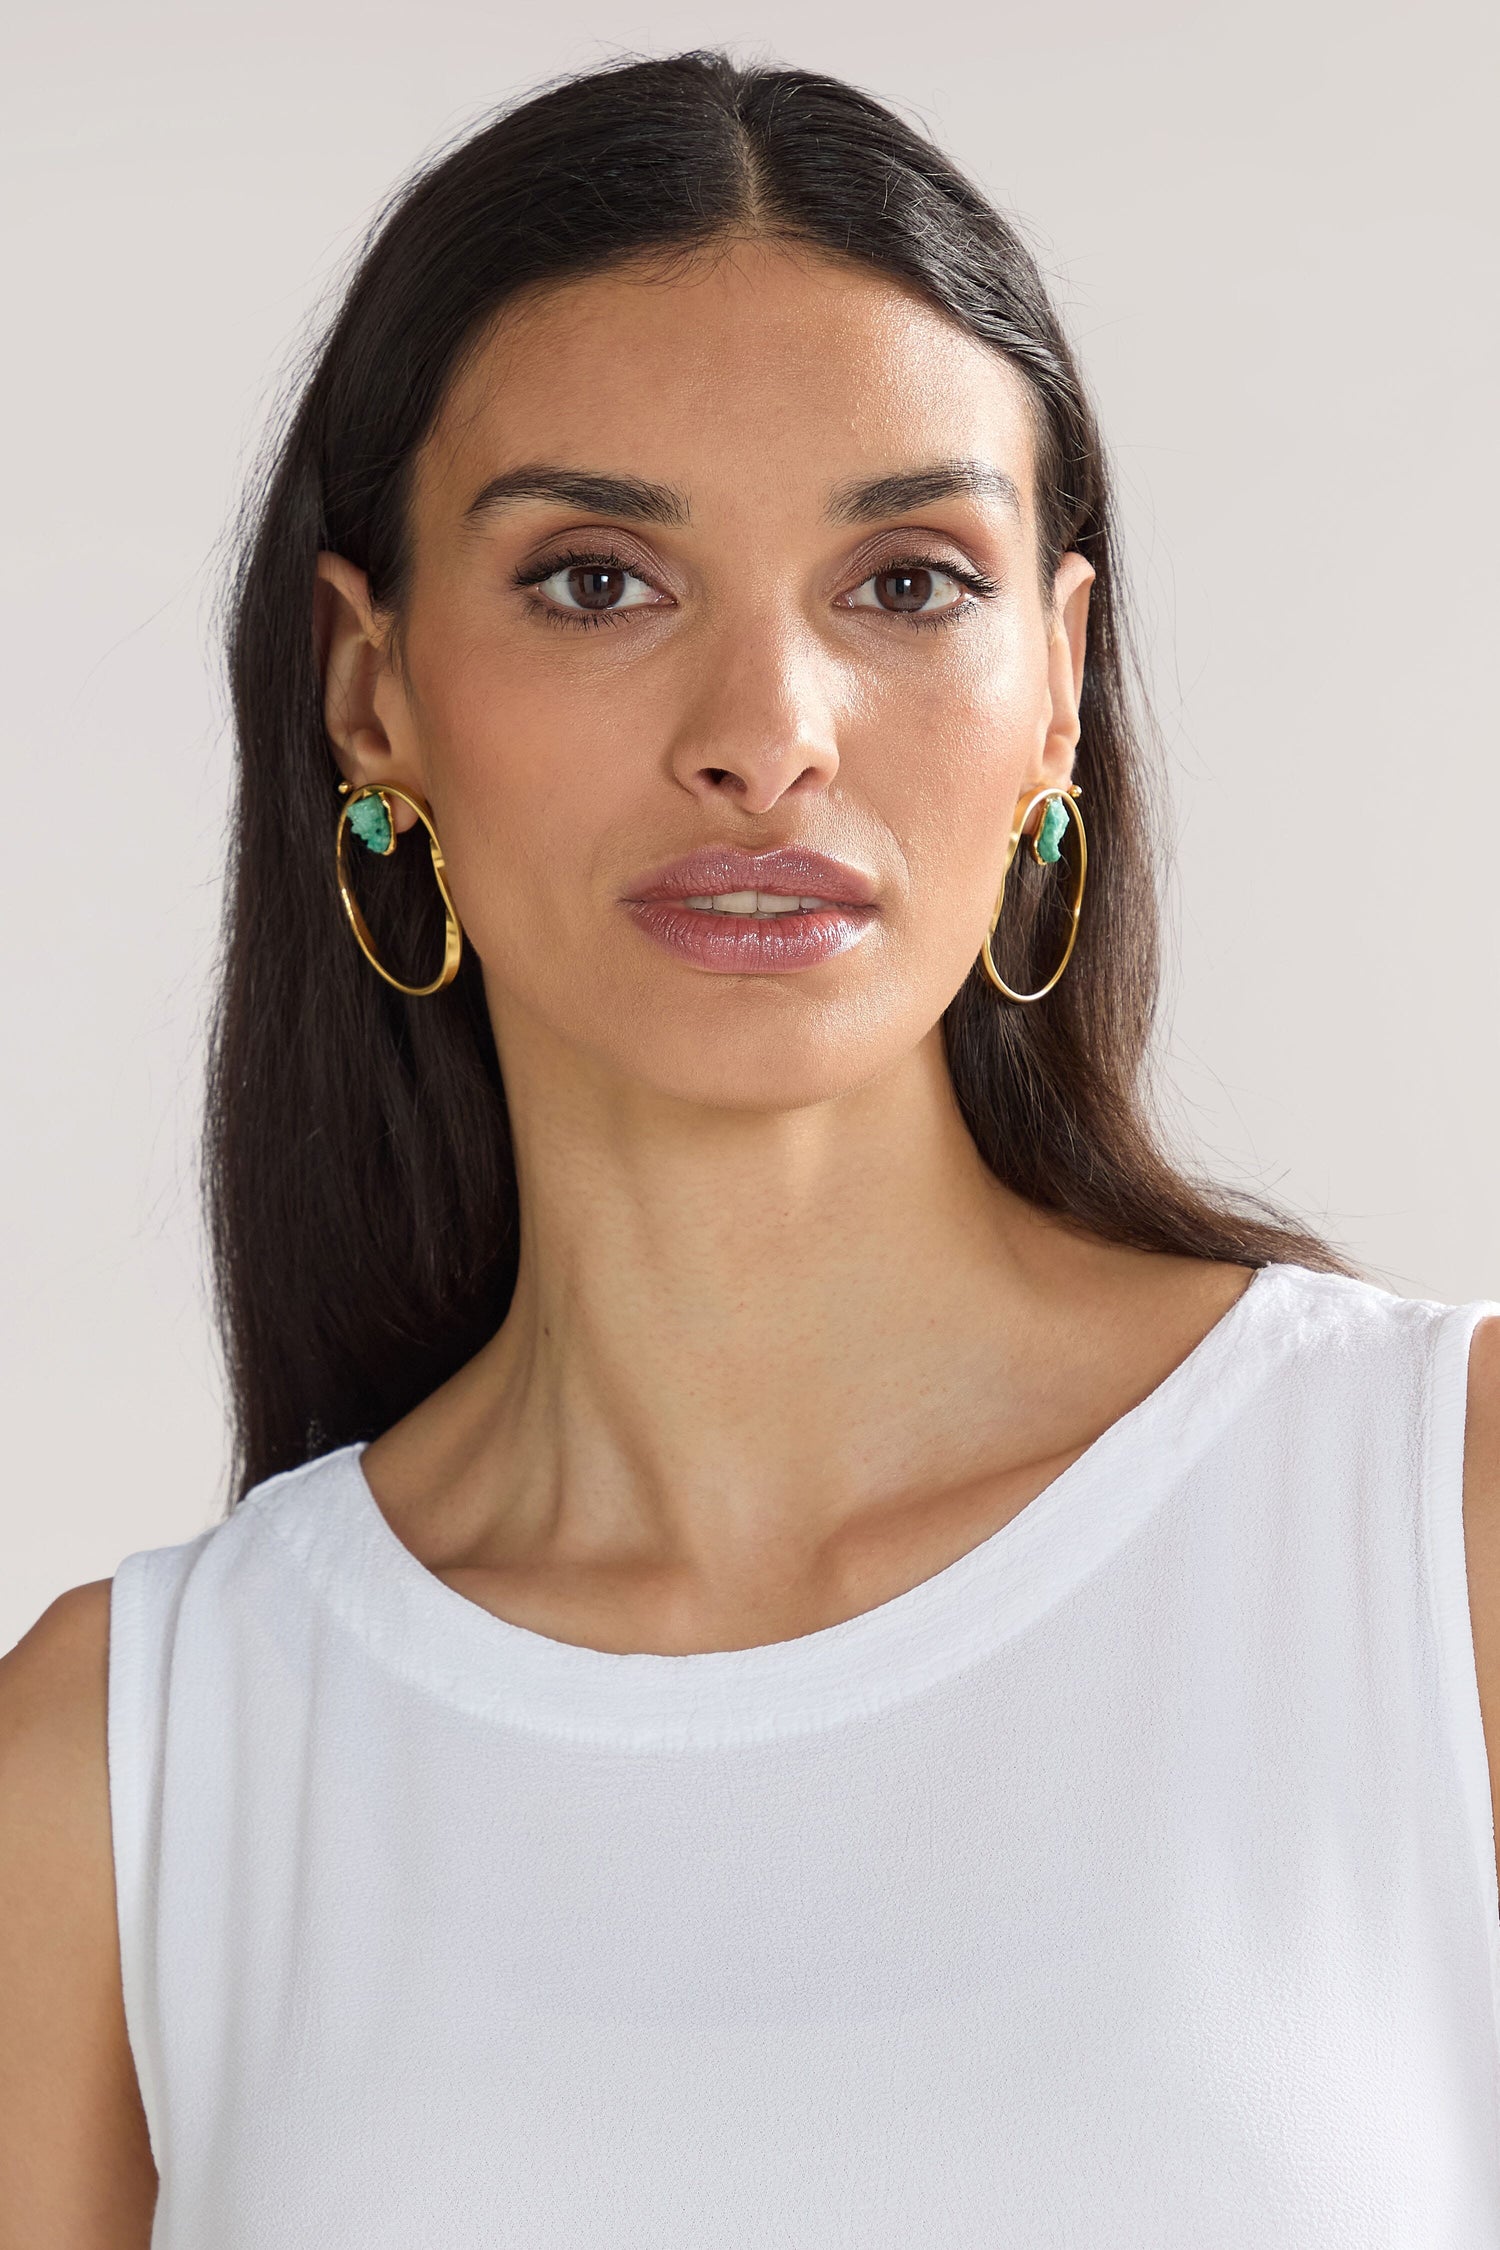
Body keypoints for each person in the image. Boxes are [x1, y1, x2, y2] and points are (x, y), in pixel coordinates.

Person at [2, 49, 1497, 2247]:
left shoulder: (1431, 1541)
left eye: (906, 581)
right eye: (597, 581)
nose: (765, 737)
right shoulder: (120, 1775)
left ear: (1059, 684)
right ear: (368, 690)